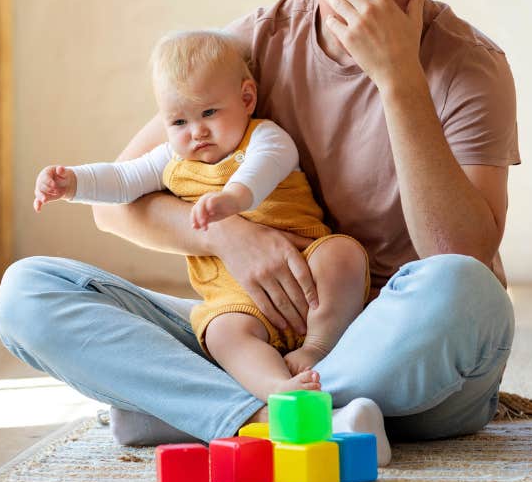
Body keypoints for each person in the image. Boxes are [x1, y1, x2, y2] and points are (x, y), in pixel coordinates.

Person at [0, 0, 518, 459]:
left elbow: (459, 254)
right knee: (29, 291)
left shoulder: (471, 67)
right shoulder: (255, 45)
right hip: (261, 336)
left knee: (466, 290)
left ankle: (211, 410)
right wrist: (229, 238)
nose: (364, 21)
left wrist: (397, 77)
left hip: (397, 341)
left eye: (392, 4)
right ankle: (271, 417)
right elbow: (117, 207)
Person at [32, 29, 371, 407]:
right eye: (179, 123)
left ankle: (318, 348)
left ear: (246, 98)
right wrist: (72, 183)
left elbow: (262, 171)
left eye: (209, 112)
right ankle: (275, 389)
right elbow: (124, 179)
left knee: (343, 254)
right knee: (223, 334)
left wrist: (232, 200)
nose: (197, 132)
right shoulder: (172, 159)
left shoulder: (265, 138)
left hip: (306, 267)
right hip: (234, 297)